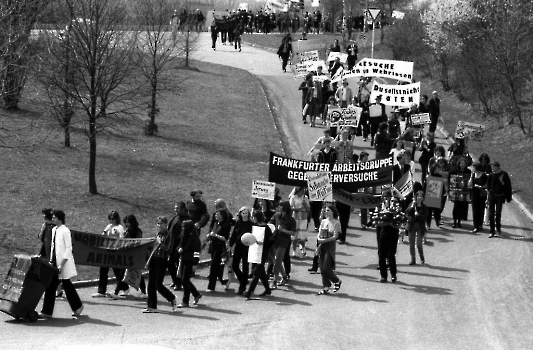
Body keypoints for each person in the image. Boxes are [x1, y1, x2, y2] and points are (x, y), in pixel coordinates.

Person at [39, 210, 84, 319]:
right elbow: (53, 248)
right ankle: (47, 311)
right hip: (54, 262)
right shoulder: (54, 229)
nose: (52, 219)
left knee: (67, 284)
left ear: (60, 218)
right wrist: (51, 260)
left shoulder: (65, 231)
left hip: (64, 262)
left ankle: (78, 307)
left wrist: (61, 264)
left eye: (54, 217)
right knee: (51, 285)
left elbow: (69, 249)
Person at [143, 216, 177, 313]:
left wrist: (160, 243)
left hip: (162, 261)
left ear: (166, 224)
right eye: (158, 223)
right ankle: (151, 306)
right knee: (150, 285)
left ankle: (172, 298)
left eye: (161, 223)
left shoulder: (169, 235)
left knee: (158, 284)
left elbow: (169, 249)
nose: (159, 225)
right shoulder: (158, 234)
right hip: (154, 259)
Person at [92, 210, 128, 298]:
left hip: (115, 252)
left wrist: (116, 236)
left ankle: (125, 288)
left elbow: (122, 240)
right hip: (107, 251)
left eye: (112, 219)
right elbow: (103, 235)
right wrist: (105, 233)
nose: (111, 220)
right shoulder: (108, 226)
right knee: (103, 270)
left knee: (117, 271)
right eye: (109, 218)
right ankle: (101, 291)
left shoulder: (119, 228)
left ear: (116, 219)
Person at [244, 210, 274, 299]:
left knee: (256, 272)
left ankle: (249, 292)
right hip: (255, 251)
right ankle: (268, 289)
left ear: (257, 217)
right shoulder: (254, 227)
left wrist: (263, 243)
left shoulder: (266, 228)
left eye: (254, 217)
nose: (253, 218)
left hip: (263, 253)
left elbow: (271, 241)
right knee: (260, 272)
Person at [269, 201, 296, 289]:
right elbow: (270, 223)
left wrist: (283, 230)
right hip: (275, 240)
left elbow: (293, 233)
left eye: (280, 206)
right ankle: (284, 277)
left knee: (277, 261)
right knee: (275, 260)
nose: (278, 207)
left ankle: (274, 282)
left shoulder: (291, 220)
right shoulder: (276, 215)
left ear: (285, 208)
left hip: (284, 241)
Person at [316, 205, 342, 295]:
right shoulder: (323, 221)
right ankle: (325, 287)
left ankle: (337, 281)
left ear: (333, 212)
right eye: (325, 210)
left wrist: (324, 240)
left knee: (326, 267)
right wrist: (319, 240)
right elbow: (319, 233)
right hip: (322, 245)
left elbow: (335, 236)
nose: (326, 212)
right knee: (322, 268)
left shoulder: (336, 222)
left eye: (328, 210)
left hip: (330, 246)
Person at [176, 220, 202, 308]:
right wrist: (179, 248)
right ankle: (196, 294)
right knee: (185, 280)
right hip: (183, 258)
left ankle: (185, 301)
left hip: (189, 260)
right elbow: (180, 245)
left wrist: (195, 261)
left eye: (184, 227)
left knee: (185, 280)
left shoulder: (192, 237)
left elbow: (196, 250)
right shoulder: (184, 236)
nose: (183, 228)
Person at [166, 201, 191, 291]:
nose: (175, 210)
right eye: (175, 208)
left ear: (183, 209)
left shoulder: (187, 220)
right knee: (170, 264)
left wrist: (182, 246)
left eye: (177, 208)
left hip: (180, 247)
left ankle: (179, 283)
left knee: (179, 266)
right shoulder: (175, 218)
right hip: (172, 246)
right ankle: (175, 281)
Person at [229, 206, 253, 295]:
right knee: (235, 265)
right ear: (240, 214)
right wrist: (230, 245)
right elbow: (234, 234)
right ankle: (243, 279)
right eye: (243, 213)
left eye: (246, 213)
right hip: (238, 246)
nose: (245, 215)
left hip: (247, 247)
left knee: (245, 266)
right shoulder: (238, 223)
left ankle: (242, 287)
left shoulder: (251, 224)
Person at [377, 189, 400, 283]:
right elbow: (376, 218)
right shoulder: (380, 206)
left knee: (391, 254)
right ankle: (383, 276)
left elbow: (399, 220)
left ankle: (393, 274)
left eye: (387, 197)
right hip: (383, 231)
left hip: (393, 231)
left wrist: (391, 221)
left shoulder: (395, 205)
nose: (385, 199)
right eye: (384, 197)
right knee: (381, 253)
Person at [206, 209, 231, 292]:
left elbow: (225, 238)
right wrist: (209, 236)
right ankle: (225, 281)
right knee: (216, 266)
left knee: (213, 266)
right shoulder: (216, 223)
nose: (215, 216)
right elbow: (213, 233)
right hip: (213, 246)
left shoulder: (226, 225)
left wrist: (215, 235)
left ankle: (211, 287)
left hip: (220, 247)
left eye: (218, 214)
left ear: (222, 216)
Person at [123, 214, 147, 298]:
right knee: (123, 272)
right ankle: (124, 289)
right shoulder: (127, 231)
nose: (127, 224)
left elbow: (138, 242)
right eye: (126, 222)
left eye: (128, 222)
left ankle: (144, 291)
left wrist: (129, 245)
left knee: (138, 272)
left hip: (136, 255)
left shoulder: (137, 231)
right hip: (128, 255)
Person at [487, 161, 512, 237]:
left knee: (498, 213)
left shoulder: (504, 174)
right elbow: (488, 187)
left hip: (500, 196)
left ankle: (498, 229)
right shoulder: (490, 175)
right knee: (491, 214)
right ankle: (492, 231)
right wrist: (487, 198)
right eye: (492, 167)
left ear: (498, 167)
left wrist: (501, 181)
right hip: (492, 196)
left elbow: (507, 186)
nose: (492, 168)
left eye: (493, 166)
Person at [406, 190, 428, 265]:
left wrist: (418, 215)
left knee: (419, 243)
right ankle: (413, 259)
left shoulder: (424, 207)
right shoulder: (412, 204)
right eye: (418, 196)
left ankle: (422, 258)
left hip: (420, 226)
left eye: (421, 197)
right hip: (412, 225)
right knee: (411, 244)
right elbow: (407, 213)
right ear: (416, 197)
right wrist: (411, 208)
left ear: (422, 198)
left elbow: (425, 217)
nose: (419, 198)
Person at [449, 157, 471, 228]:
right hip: (456, 192)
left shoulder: (468, 172)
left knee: (462, 208)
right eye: (461, 163)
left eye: (464, 163)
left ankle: (459, 222)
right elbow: (450, 178)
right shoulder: (454, 171)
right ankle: (455, 221)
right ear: (459, 164)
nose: (462, 164)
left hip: (464, 192)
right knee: (456, 207)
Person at [289, 187, 311, 256]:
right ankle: (294, 251)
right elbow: (290, 207)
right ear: (298, 191)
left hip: (303, 217)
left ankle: (303, 250)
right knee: (294, 235)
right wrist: (298, 209)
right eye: (301, 191)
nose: (303, 192)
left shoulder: (305, 198)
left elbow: (308, 209)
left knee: (302, 235)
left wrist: (305, 204)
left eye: (303, 191)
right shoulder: (293, 197)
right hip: (295, 217)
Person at [468, 162, 488, 234]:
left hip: (481, 194)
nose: (472, 169)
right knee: (475, 210)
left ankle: (480, 224)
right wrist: (471, 176)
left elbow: (487, 185)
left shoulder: (484, 175)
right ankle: (476, 226)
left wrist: (480, 187)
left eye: (473, 167)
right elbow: (469, 185)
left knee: (481, 210)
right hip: (474, 194)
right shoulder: (473, 175)